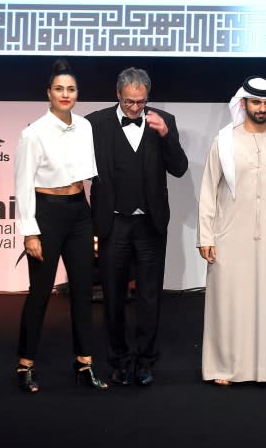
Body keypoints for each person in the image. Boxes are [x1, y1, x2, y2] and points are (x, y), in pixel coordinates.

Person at [197, 76, 266, 387]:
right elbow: (208, 190)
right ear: (243, 103)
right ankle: (223, 366)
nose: (262, 108)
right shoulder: (224, 142)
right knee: (228, 302)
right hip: (229, 235)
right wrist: (206, 235)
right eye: (256, 102)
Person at [86, 67, 188, 386]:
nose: (134, 108)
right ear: (118, 95)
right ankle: (117, 360)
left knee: (149, 297)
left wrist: (164, 135)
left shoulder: (164, 121)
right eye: (129, 102)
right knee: (113, 297)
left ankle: (145, 360)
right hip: (112, 223)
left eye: (140, 102)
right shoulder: (94, 123)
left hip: (150, 224)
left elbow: (180, 168)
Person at [14, 59, 108, 393]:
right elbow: (23, 184)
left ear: (77, 93)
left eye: (70, 89)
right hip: (46, 213)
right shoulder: (33, 133)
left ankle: (84, 363)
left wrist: (94, 222)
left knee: (83, 292)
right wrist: (30, 231)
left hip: (78, 212)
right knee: (40, 294)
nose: (65, 94)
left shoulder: (84, 127)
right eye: (59, 89)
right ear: (48, 94)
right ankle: (25, 365)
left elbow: (90, 178)